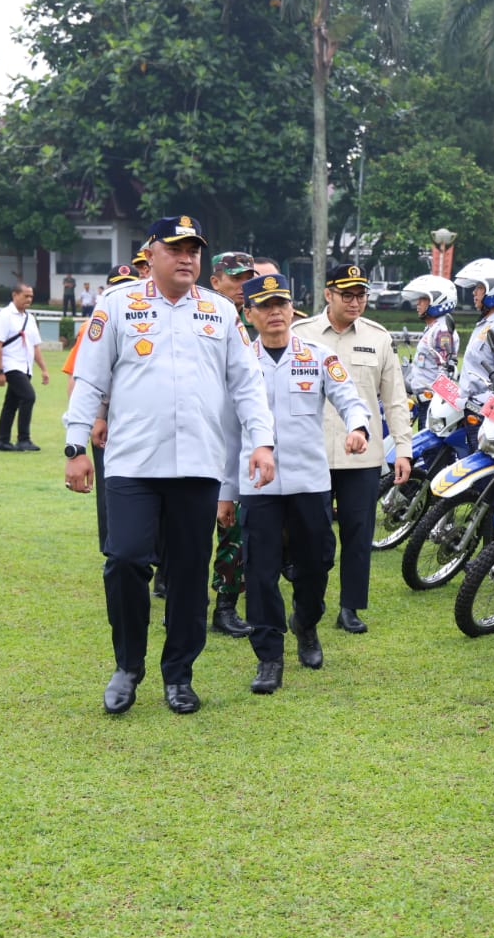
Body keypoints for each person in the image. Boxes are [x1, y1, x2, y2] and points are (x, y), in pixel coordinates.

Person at [63, 215, 276, 716]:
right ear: (151, 253)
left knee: (187, 573)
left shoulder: (219, 311)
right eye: (176, 249)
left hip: (198, 465)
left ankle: (179, 674)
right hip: (132, 462)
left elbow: (247, 383)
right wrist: (75, 446)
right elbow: (90, 378)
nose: (186, 258)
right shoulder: (117, 304)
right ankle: (127, 666)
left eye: (193, 250)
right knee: (125, 560)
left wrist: (262, 443)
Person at [228, 273, 370, 693]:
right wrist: (224, 493)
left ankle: (306, 624)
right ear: (248, 313)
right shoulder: (239, 362)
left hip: (309, 481)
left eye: (281, 304)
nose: (275, 313)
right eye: (265, 306)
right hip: (258, 486)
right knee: (260, 573)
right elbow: (226, 432)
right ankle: (269, 657)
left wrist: (358, 427)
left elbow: (349, 398)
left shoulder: (318, 356)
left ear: (292, 309)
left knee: (316, 564)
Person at [289, 263, 413, 635]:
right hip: (311, 452)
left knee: (358, 535)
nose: (355, 302)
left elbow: (395, 398)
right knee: (312, 535)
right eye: (347, 295)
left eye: (361, 295)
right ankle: (308, 600)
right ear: (328, 294)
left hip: (362, 456)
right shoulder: (301, 334)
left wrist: (403, 449)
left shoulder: (378, 337)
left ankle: (350, 607)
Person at [61, 263, 142, 552]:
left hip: (142, 420)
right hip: (107, 421)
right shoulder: (93, 326)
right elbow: (78, 379)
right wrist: (95, 419)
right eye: (117, 285)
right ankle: (113, 548)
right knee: (112, 489)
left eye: (129, 285)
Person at [205, 250, 258, 639]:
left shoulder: (251, 323)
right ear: (215, 281)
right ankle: (184, 602)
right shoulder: (203, 319)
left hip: (238, 441)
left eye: (247, 278)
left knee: (234, 530)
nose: (243, 286)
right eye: (236, 278)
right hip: (202, 439)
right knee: (188, 532)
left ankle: (226, 605)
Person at [452, 258, 494, 409]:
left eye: (479, 287)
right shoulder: (484, 325)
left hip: (487, 413)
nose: (474, 292)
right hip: (471, 408)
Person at [0, 282, 50, 452]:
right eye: (26, 296)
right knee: (28, 396)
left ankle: (3, 441)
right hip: (11, 365)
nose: (29, 299)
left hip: (25, 366)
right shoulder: (4, 316)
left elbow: (35, 346)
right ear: (15, 295)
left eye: (31, 296)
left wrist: (43, 369)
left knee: (11, 403)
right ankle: (23, 438)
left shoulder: (29, 319)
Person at [399, 274, 460, 426]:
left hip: (432, 403)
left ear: (437, 300)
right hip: (425, 401)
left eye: (423, 299)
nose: (418, 303)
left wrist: (438, 404)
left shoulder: (442, 331)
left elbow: (445, 371)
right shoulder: (433, 328)